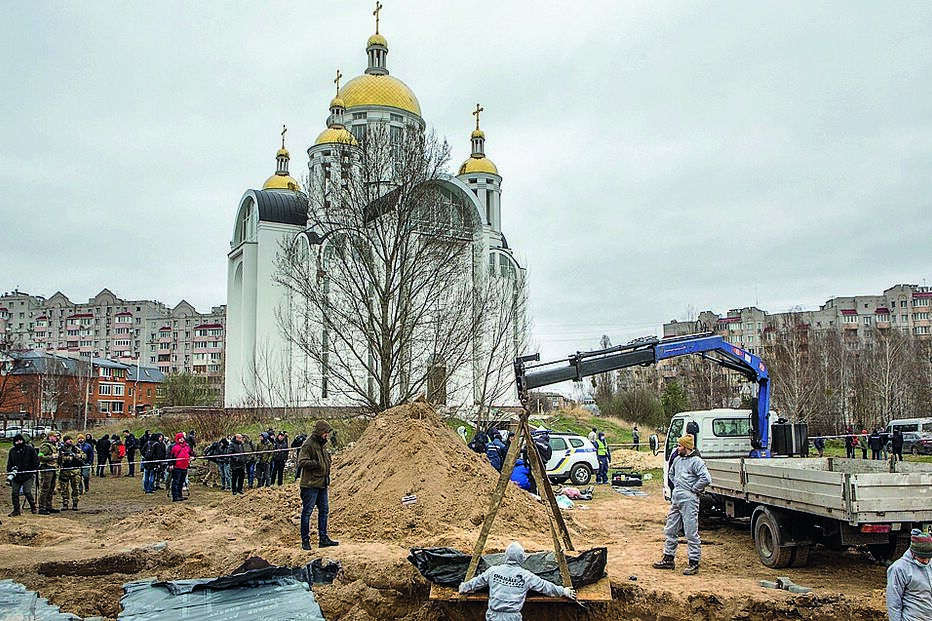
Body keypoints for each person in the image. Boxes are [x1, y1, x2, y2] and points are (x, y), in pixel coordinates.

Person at [458, 541, 577, 618]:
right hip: (512, 617)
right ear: (522, 558)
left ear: (506, 556)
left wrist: (464, 587)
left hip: (493, 616)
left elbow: (476, 582)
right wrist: (563, 591)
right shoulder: (526, 576)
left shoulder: (493, 571)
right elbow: (545, 586)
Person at [653, 435, 711, 575]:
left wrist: (694, 489)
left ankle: (693, 562)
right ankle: (668, 558)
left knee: (691, 532)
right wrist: (679, 488)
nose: (678, 448)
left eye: (680, 446)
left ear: (687, 447)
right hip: (677, 498)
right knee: (670, 529)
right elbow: (671, 474)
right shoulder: (678, 460)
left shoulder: (696, 462)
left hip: (689, 500)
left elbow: (706, 478)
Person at [297, 420, 338, 550]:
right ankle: (305, 540)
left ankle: (323, 538)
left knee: (324, 511)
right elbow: (302, 461)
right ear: (320, 432)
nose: (327, 435)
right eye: (325, 432)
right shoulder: (308, 444)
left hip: (322, 483)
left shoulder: (322, 445)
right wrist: (317, 465)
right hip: (310, 484)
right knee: (307, 512)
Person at [886, 529, 932, 621]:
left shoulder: (930, 564)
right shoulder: (899, 569)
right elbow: (894, 602)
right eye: (922, 558)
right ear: (913, 553)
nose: (926, 561)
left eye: (929, 557)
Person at [7, 433, 39, 516]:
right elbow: (9, 463)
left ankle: (33, 506)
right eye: (17, 441)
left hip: (28, 475)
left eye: (20, 440)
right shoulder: (12, 451)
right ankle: (16, 510)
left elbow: (35, 460)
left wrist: (34, 470)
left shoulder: (29, 449)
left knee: (27, 491)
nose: (19, 442)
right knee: (14, 493)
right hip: (16, 476)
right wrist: (10, 472)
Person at [37, 431, 61, 515]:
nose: (56, 438)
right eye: (55, 436)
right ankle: (42, 507)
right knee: (45, 488)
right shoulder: (45, 446)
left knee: (51, 488)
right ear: (50, 437)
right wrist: (51, 457)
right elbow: (40, 456)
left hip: (53, 468)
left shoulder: (55, 446)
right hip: (47, 468)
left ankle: (49, 505)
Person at [58, 435, 84, 511]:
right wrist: (66, 458)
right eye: (69, 440)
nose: (70, 441)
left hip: (75, 471)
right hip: (65, 471)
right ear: (65, 441)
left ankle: (75, 503)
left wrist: (80, 456)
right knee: (64, 489)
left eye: (71, 439)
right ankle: (65, 504)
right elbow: (58, 458)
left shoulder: (75, 448)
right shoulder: (60, 449)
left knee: (76, 488)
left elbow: (84, 456)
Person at [169, 432, 190, 502]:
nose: (182, 439)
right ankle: (175, 496)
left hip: (185, 466)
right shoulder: (174, 447)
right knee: (176, 482)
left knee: (181, 481)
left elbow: (191, 453)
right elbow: (170, 456)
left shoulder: (186, 446)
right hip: (177, 466)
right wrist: (170, 464)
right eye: (180, 438)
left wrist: (192, 457)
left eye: (182, 438)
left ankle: (180, 495)